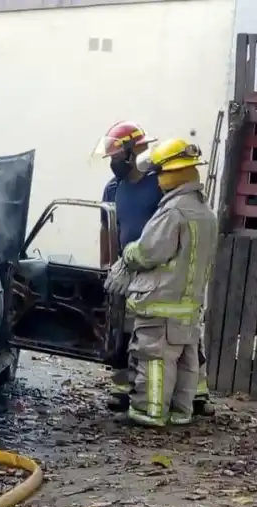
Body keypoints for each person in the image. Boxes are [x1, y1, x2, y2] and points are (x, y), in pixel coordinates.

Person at [97, 122, 213, 415]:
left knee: (169, 338)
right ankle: (126, 387)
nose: (113, 164)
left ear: (133, 151)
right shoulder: (113, 188)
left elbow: (162, 238)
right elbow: (108, 228)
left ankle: (192, 396)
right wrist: (110, 266)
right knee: (131, 334)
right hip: (128, 269)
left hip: (160, 271)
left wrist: (136, 259)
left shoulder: (162, 186)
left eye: (115, 157)